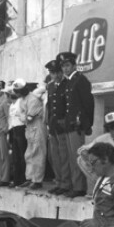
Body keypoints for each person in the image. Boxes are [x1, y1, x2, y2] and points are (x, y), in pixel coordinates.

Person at [58, 51, 94, 197]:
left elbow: (88, 103)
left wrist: (87, 124)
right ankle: (74, 185)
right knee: (71, 157)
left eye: (67, 65)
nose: (65, 69)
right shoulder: (68, 82)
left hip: (77, 125)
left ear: (74, 65)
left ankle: (80, 187)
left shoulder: (80, 80)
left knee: (77, 156)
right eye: (63, 66)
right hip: (69, 124)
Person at [78, 112, 114, 181]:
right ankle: (100, 182)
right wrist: (85, 153)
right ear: (111, 128)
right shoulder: (102, 138)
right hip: (104, 166)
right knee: (80, 159)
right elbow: (83, 149)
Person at [12, 79, 47, 190]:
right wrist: (23, 116)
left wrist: (21, 115)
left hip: (37, 127)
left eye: (18, 91)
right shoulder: (22, 100)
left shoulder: (33, 99)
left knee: (38, 153)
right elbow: (23, 116)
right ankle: (30, 178)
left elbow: (29, 117)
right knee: (29, 154)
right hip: (30, 129)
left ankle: (37, 180)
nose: (16, 93)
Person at [45, 59, 71, 195]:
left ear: (61, 72)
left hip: (62, 125)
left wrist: (65, 121)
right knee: (54, 155)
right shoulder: (50, 86)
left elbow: (69, 106)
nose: (55, 75)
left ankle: (66, 183)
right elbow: (50, 106)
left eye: (57, 72)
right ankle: (58, 181)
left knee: (64, 155)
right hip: (53, 125)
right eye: (52, 73)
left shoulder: (68, 84)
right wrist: (49, 123)